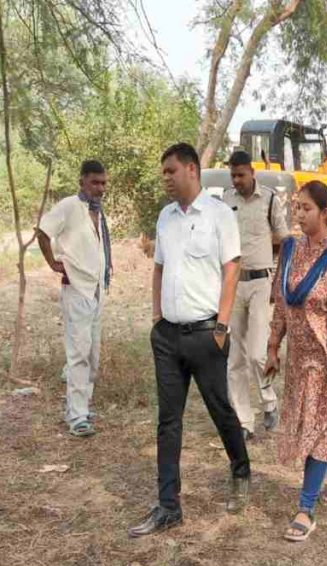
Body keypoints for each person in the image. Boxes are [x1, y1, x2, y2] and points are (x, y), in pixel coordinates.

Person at [128, 143, 251, 538]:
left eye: (171, 171)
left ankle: (241, 471)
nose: (165, 178)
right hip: (167, 337)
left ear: (192, 170)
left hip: (205, 334)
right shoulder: (165, 218)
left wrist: (221, 327)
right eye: (163, 172)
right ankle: (169, 506)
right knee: (168, 422)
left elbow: (232, 270)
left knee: (220, 410)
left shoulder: (219, 215)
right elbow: (159, 268)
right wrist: (156, 320)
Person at [265, 180, 327, 543]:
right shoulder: (290, 249)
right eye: (296, 207)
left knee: (318, 426)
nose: (298, 214)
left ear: (324, 212)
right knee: (309, 426)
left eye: (306, 208)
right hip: (297, 359)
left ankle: (305, 509)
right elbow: (282, 304)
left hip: (325, 360)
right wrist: (273, 346)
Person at [36, 160, 112, 437]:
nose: (100, 188)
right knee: (78, 352)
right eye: (95, 182)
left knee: (92, 352)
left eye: (103, 183)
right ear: (82, 182)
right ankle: (77, 416)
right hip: (76, 288)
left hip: (96, 290)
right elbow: (43, 232)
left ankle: (80, 406)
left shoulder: (98, 212)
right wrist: (53, 263)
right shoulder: (69, 206)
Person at [222, 150, 288, 440]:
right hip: (233, 284)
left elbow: (284, 240)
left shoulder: (271, 199)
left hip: (262, 282)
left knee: (257, 353)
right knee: (234, 357)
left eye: (241, 174)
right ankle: (244, 421)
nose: (236, 180)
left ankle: (269, 401)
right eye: (232, 175)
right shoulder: (225, 200)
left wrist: (280, 282)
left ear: (252, 173)